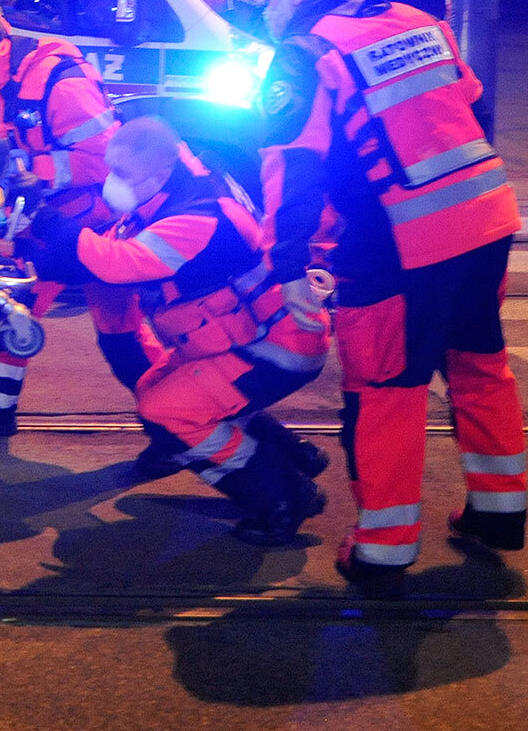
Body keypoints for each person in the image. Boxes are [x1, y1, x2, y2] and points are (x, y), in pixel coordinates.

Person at [257, 0, 527, 596]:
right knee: (478, 362)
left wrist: (287, 263)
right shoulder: (417, 20)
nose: (263, 9)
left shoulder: (304, 51)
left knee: (384, 388)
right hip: (485, 217)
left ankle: (382, 552)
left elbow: (291, 165)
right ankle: (498, 512)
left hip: (396, 243)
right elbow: (473, 108)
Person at [28, 116, 333, 544]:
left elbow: (120, 262)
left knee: (170, 412)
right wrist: (47, 254)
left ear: (160, 171)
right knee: (155, 390)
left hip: (275, 346)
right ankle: (295, 458)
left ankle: (282, 497)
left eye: (122, 174)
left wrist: (52, 224)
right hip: (250, 337)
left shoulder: (197, 215)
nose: (112, 182)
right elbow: (113, 245)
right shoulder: (178, 188)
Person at [0, 3, 162, 441]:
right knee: (99, 331)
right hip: (57, 218)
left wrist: (27, 171)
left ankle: (179, 424)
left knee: (38, 317)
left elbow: (107, 160)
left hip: (86, 221)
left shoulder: (60, 83)